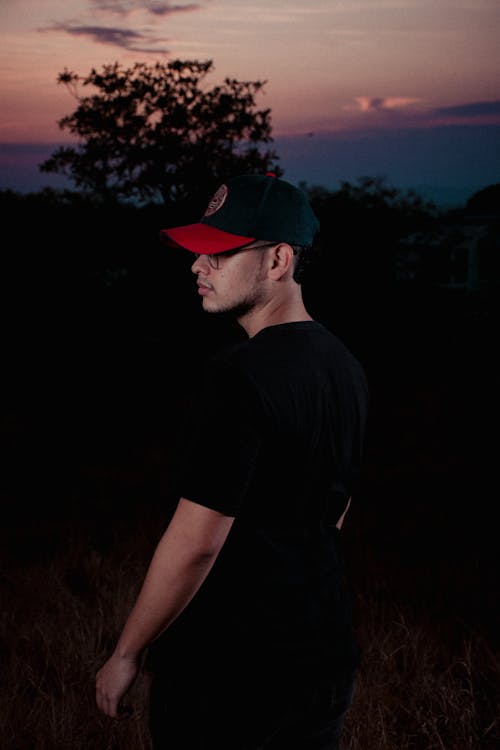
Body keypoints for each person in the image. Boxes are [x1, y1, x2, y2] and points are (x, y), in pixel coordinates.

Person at [96, 173, 369, 749]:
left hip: (231, 674)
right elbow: (336, 515)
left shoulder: (237, 374)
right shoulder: (345, 366)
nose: (198, 266)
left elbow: (198, 541)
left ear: (279, 261)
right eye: (199, 252)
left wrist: (127, 652)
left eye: (218, 253)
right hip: (323, 659)